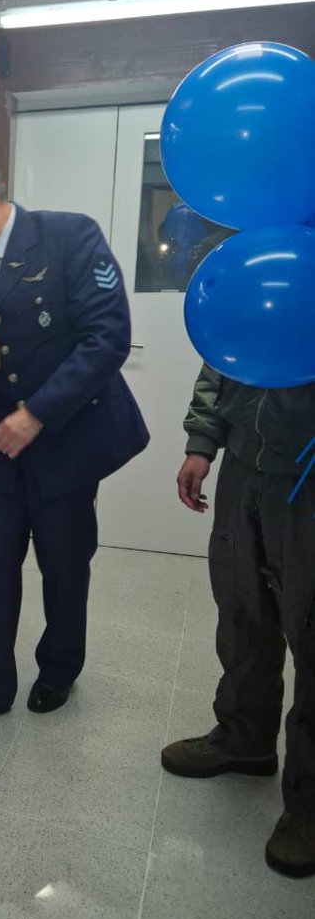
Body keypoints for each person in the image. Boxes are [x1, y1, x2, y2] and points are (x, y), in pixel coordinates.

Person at [0, 148, 148, 730]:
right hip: (1, 441)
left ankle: (60, 668)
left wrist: (37, 413)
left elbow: (107, 338)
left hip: (67, 434)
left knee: (64, 562)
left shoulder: (69, 238)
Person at [162, 364, 315, 878]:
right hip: (246, 465)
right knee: (241, 608)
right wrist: (202, 442)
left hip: (308, 470)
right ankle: (245, 738)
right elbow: (221, 356)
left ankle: (310, 805)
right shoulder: (253, 281)